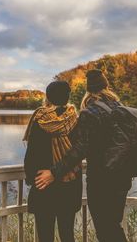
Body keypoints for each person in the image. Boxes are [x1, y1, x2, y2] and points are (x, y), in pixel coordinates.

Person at [35, 70, 132, 242]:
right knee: (113, 225)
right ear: (106, 86)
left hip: (102, 179)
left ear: (89, 90)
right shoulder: (119, 107)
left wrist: (54, 172)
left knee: (105, 227)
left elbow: (80, 149)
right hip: (122, 177)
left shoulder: (90, 112)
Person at [23, 80, 82, 242]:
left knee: (45, 235)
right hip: (69, 185)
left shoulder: (41, 118)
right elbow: (78, 153)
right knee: (67, 234)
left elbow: (31, 155)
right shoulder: (75, 119)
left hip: (44, 184)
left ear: (47, 97)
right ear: (67, 97)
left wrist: (30, 178)